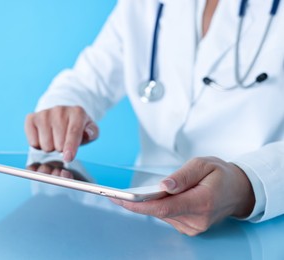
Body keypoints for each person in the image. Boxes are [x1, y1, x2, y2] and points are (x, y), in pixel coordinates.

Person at [25, 0, 284, 236]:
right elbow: (87, 79)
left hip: (260, 225)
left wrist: (245, 184)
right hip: (145, 219)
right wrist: (61, 110)